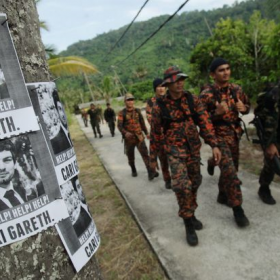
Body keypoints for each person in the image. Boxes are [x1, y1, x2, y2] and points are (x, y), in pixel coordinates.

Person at [150, 66, 221, 246]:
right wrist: (152, 159)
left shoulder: (192, 99)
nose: (180, 83)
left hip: (193, 149)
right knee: (182, 186)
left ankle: (192, 211)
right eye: (176, 80)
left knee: (195, 181)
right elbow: (155, 134)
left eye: (182, 79)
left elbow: (204, 122)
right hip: (174, 151)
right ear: (168, 84)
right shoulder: (160, 106)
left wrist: (214, 144)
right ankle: (188, 222)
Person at [199, 57, 251, 228]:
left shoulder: (236, 89)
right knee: (230, 172)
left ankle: (222, 195)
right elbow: (202, 120)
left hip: (234, 135)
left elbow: (247, 105)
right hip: (218, 137)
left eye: (227, 68)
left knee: (231, 169)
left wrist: (244, 108)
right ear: (213, 74)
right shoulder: (206, 95)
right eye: (221, 70)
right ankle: (238, 209)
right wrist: (216, 113)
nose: (226, 72)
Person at [117, 93, 158, 179]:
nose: (130, 102)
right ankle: (133, 169)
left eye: (131, 100)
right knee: (131, 157)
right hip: (129, 139)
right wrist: (125, 133)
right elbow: (119, 126)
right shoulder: (122, 113)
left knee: (145, 154)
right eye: (128, 100)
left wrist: (146, 133)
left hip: (139, 137)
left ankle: (150, 172)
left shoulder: (137, 111)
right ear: (125, 102)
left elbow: (142, 123)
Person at [254, 83, 280, 205]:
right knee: (271, 163)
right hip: (274, 136)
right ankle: (264, 188)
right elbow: (270, 120)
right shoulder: (274, 95)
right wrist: (270, 144)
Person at [146, 78, 172, 189]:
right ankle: (167, 179)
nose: (161, 89)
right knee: (163, 158)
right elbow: (150, 118)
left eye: (163, 86)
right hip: (159, 135)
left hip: (172, 134)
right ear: (155, 88)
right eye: (158, 86)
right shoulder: (151, 102)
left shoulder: (170, 99)